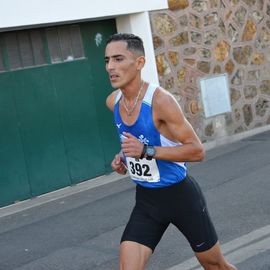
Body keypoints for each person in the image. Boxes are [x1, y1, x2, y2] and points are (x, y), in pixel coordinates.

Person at [105, 33, 236, 270]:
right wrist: (123, 157)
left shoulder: (160, 101)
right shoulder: (113, 102)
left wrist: (145, 150)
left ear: (139, 63)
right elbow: (137, 143)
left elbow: (197, 151)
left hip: (180, 198)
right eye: (107, 61)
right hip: (146, 201)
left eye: (118, 59)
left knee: (215, 266)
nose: (111, 67)